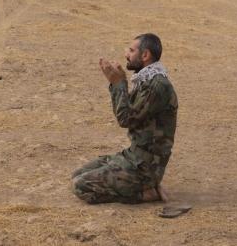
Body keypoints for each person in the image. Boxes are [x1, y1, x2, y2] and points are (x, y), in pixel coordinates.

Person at [72, 33, 178, 204]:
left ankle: (145, 193)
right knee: (77, 175)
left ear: (145, 55)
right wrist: (118, 83)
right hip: (134, 156)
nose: (126, 54)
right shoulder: (147, 79)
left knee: (81, 186)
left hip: (145, 167)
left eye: (131, 50)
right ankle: (144, 187)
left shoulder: (157, 86)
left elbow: (126, 119)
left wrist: (118, 84)